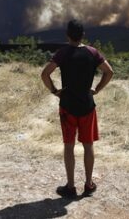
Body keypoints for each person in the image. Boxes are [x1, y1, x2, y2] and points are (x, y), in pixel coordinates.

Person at [40, 19, 114, 199]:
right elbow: (109, 71)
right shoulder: (92, 52)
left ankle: (70, 187)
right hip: (87, 105)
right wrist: (96, 89)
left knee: (69, 146)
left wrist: (55, 91)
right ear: (83, 35)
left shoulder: (62, 53)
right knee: (88, 146)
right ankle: (89, 185)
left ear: (67, 35)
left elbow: (44, 74)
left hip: (67, 106)